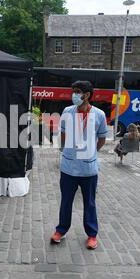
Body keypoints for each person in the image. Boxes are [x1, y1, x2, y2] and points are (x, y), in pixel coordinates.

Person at [50, 81, 107, 250]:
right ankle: (61, 230)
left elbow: (102, 138)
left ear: (87, 95)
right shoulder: (67, 111)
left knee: (89, 202)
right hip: (68, 167)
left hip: (89, 169)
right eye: (73, 91)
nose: (74, 94)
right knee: (66, 201)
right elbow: (63, 134)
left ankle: (91, 234)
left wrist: (92, 152)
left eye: (77, 92)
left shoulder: (99, 114)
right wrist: (65, 150)